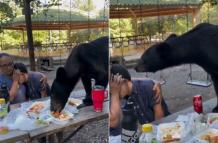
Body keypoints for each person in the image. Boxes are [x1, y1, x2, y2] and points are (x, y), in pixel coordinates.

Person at [109, 64, 170, 142]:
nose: (114, 90)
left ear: (125, 81)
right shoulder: (117, 96)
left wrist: (154, 137)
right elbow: (117, 123)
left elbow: (159, 116)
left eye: (116, 86)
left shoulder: (148, 87)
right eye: (112, 88)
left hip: (161, 131)